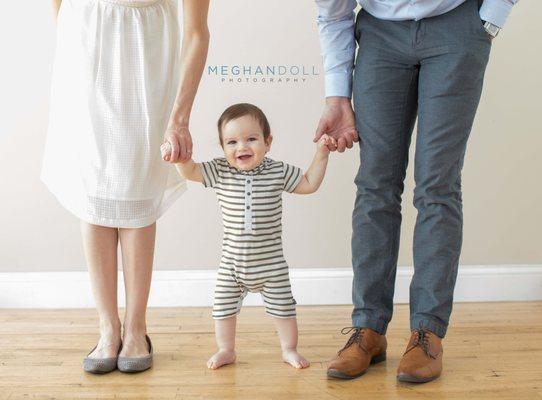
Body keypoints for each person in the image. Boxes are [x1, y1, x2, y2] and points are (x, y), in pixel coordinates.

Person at [314, 0, 519, 383]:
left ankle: (427, 332)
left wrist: (490, 19)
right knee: (375, 184)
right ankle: (369, 328)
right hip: (379, 35)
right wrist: (337, 96)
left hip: (456, 28)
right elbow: (333, 12)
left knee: (437, 185)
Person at [43, 0, 210, 373]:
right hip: (84, 45)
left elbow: (197, 31)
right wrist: (76, 42)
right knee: (92, 189)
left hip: (145, 53)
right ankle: (107, 328)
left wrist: (180, 118)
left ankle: (136, 327)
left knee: (137, 190)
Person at [163, 103, 334, 369]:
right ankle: (226, 349)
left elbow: (309, 183)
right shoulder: (220, 171)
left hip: (271, 264)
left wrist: (321, 154)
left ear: (268, 142)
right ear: (222, 148)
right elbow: (191, 171)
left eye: (251, 139)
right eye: (231, 142)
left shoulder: (277, 171)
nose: (241, 147)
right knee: (222, 308)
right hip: (232, 264)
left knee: (284, 310)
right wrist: (179, 158)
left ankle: (289, 349)